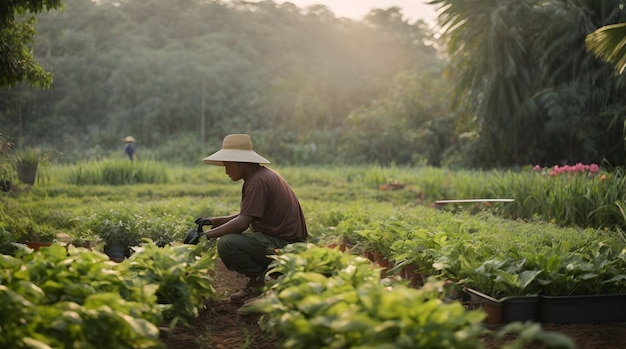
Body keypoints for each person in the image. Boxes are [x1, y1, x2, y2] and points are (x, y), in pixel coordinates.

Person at [195, 133, 308, 304]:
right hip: (285, 240)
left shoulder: (257, 182)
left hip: (286, 245)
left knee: (227, 243)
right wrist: (212, 221)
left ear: (243, 163)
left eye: (228, 165)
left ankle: (260, 283)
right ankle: (262, 280)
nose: (226, 171)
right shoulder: (261, 176)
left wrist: (207, 236)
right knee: (228, 238)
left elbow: (242, 223)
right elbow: (247, 215)